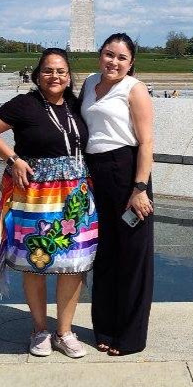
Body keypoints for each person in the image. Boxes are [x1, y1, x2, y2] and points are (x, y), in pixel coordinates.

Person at [0, 48, 97, 359]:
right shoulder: (24, 104)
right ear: (37, 74)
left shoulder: (75, 104)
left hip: (76, 196)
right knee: (36, 261)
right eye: (48, 70)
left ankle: (65, 332)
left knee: (73, 266)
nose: (54, 76)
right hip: (35, 193)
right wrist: (13, 159)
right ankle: (40, 329)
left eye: (61, 71)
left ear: (69, 77)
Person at [81, 33, 154, 356]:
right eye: (109, 55)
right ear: (100, 55)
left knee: (131, 257)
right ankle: (105, 328)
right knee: (105, 256)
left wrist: (139, 188)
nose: (114, 62)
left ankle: (130, 336)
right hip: (95, 173)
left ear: (131, 62)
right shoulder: (89, 83)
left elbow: (147, 142)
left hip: (126, 173)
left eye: (122, 58)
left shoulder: (134, 89)